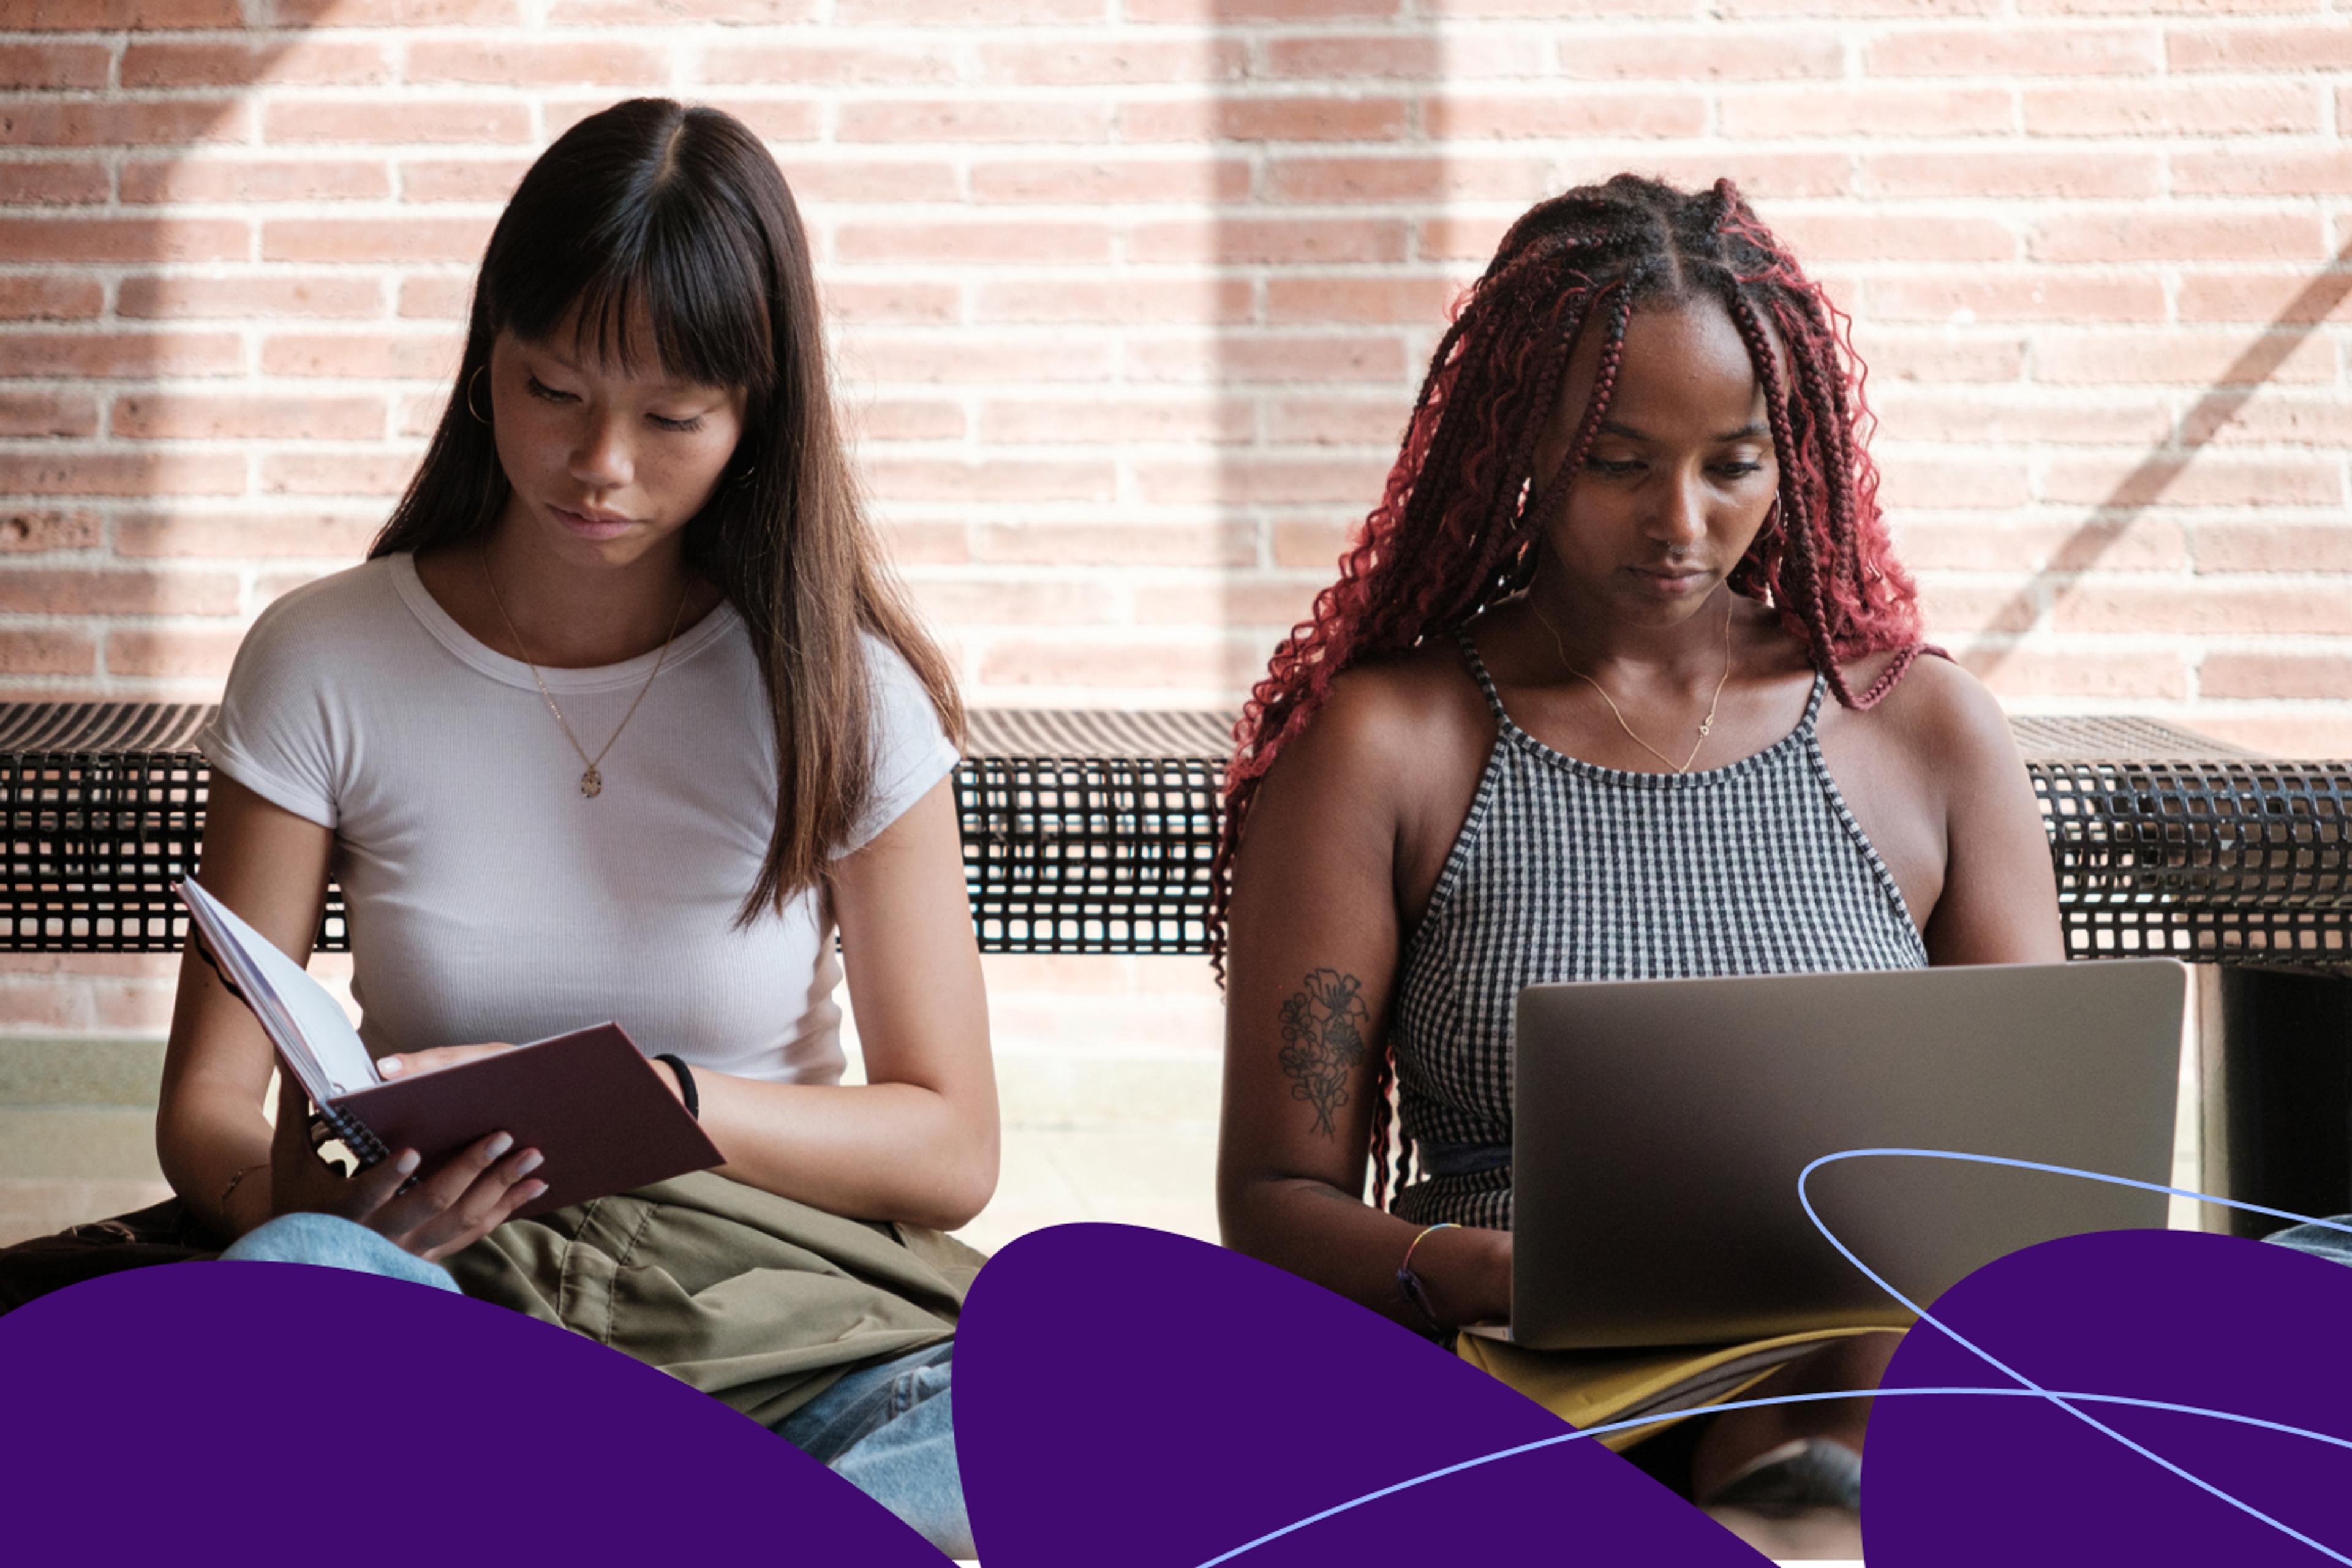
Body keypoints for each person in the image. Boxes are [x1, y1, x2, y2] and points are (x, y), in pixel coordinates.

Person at [153, 99, 995, 1555]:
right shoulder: (326, 658)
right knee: (293, 1276)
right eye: (554, 390)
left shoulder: (845, 691)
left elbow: (949, 1144)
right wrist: (371, 1216)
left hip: (787, 1323)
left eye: (672, 417)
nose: (602, 463)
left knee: (1025, 1418)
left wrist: (666, 1096)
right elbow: (209, 1113)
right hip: (464, 1303)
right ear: (490, 358)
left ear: (754, 420)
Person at [1212, 175, 2064, 1520]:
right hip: (1524, 1363)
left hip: (1860, 1354)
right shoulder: (1391, 741)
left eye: (1733, 463)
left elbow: (2037, 1190)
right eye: (1617, 461)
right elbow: (1272, 1197)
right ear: (1519, 448)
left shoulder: (1924, 731)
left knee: (1874, 1385)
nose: (1681, 521)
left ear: (1796, 453)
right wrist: (1480, 1266)